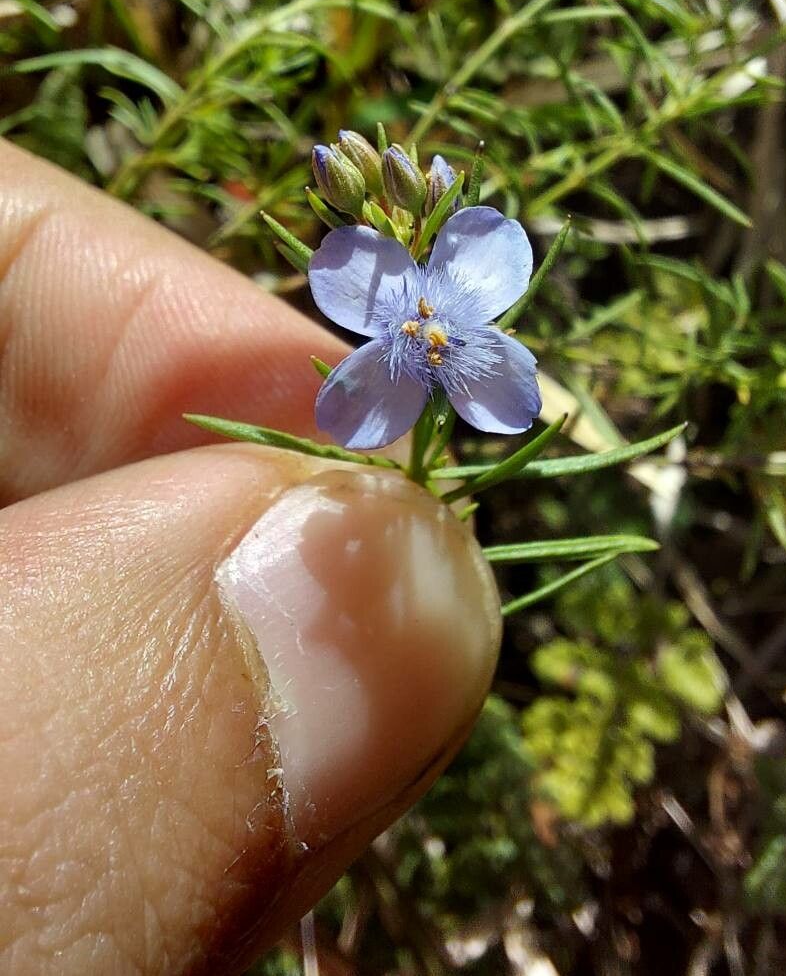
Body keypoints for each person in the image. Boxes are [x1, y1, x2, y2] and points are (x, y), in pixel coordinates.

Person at [0, 141, 500, 975]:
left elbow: (504, 393)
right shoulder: (373, 309)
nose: (429, 331)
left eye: (431, 327)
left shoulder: (459, 306)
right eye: (414, 323)